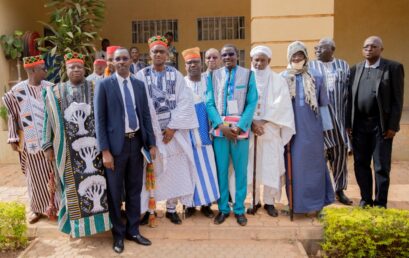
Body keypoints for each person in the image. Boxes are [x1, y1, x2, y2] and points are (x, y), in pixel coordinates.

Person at [42, 52, 111, 238]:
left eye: (79, 67)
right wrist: (47, 144)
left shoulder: (95, 87)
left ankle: (97, 226)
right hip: (67, 151)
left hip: (95, 150)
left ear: (84, 69)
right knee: (71, 189)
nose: (76, 70)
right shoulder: (55, 91)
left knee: (97, 187)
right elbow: (48, 119)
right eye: (72, 67)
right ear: (66, 69)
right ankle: (74, 227)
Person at [95, 48, 156, 253]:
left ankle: (133, 231)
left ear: (131, 60)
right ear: (112, 62)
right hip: (114, 147)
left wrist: (151, 143)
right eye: (117, 59)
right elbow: (100, 120)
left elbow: (145, 116)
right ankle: (118, 235)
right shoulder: (104, 85)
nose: (121, 62)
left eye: (124, 58)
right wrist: (104, 151)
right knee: (114, 192)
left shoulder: (139, 85)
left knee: (134, 190)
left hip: (136, 143)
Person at [136, 36, 198, 225]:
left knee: (175, 169)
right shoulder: (141, 75)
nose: (158, 54)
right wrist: (151, 132)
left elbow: (185, 102)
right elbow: (138, 104)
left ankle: (171, 209)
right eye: (155, 51)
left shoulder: (176, 75)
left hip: (173, 135)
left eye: (162, 51)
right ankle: (149, 209)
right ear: (150, 55)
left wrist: (171, 128)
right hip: (150, 135)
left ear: (167, 54)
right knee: (151, 171)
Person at [346, 36, 404, 208]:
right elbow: (349, 99)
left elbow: (397, 100)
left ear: (381, 49)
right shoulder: (355, 69)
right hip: (359, 126)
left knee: (381, 165)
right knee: (360, 163)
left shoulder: (392, 68)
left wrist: (393, 125)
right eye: (366, 47)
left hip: (381, 126)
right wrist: (348, 123)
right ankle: (365, 199)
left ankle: (380, 202)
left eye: (373, 46)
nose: (369, 49)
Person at [2, 55, 58, 224]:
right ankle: (37, 209)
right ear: (32, 70)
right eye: (42, 68)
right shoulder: (16, 92)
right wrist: (13, 138)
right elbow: (12, 116)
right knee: (34, 178)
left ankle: (56, 207)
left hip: (51, 142)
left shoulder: (51, 88)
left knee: (54, 175)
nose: (46, 71)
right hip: (30, 143)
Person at [206, 44, 258, 226]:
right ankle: (222, 209)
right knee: (221, 171)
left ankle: (239, 209)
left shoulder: (248, 74)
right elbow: (209, 103)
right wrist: (221, 125)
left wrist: (241, 126)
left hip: (239, 133)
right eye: (224, 55)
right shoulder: (213, 76)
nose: (227, 57)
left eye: (231, 54)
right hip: (221, 132)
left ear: (237, 55)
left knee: (240, 172)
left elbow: (252, 102)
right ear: (220, 57)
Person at [281, 41, 334, 215]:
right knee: (294, 167)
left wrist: (326, 133)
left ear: (305, 56)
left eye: (300, 54)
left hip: (312, 131)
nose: (297, 58)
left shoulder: (316, 76)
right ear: (289, 57)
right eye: (294, 55)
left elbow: (323, 104)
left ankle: (317, 205)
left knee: (314, 166)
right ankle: (295, 205)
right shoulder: (282, 77)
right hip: (291, 131)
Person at [245, 46, 295, 217]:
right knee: (251, 165)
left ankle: (269, 202)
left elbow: (281, 105)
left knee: (270, 165)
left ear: (269, 61)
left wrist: (262, 121)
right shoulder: (245, 79)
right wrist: (252, 122)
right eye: (256, 60)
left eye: (262, 60)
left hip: (271, 129)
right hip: (250, 131)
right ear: (251, 60)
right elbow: (240, 103)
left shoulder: (278, 80)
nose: (258, 63)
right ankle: (254, 200)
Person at [309, 38, 353, 205]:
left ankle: (339, 190)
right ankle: (320, 191)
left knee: (340, 157)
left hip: (339, 121)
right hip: (319, 122)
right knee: (319, 158)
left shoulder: (343, 65)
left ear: (332, 49)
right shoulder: (310, 67)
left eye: (320, 48)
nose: (316, 50)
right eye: (315, 48)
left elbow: (350, 93)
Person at [182, 47, 219, 218]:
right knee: (189, 170)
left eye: (196, 62)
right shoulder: (181, 84)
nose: (193, 65)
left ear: (201, 64)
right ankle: (189, 205)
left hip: (206, 135)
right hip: (187, 137)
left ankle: (206, 204)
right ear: (185, 66)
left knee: (208, 169)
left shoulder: (209, 81)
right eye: (190, 63)